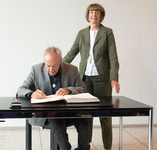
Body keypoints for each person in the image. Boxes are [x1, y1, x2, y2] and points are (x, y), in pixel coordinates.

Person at [62, 3, 120, 150]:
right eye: (91, 12)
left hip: (102, 80)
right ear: (88, 15)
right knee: (86, 115)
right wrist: (58, 66)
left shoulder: (107, 32)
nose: (94, 15)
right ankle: (85, 145)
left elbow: (113, 57)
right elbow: (72, 52)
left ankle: (108, 147)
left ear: (101, 16)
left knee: (105, 116)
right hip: (85, 80)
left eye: (97, 13)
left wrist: (114, 78)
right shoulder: (82, 33)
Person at [17, 46, 90, 150]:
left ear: (60, 60)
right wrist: (32, 94)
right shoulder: (36, 70)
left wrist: (68, 90)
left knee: (84, 124)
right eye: (48, 66)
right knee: (58, 125)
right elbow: (21, 89)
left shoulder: (72, 70)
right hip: (49, 113)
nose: (51, 69)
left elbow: (83, 89)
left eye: (54, 66)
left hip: (70, 110)